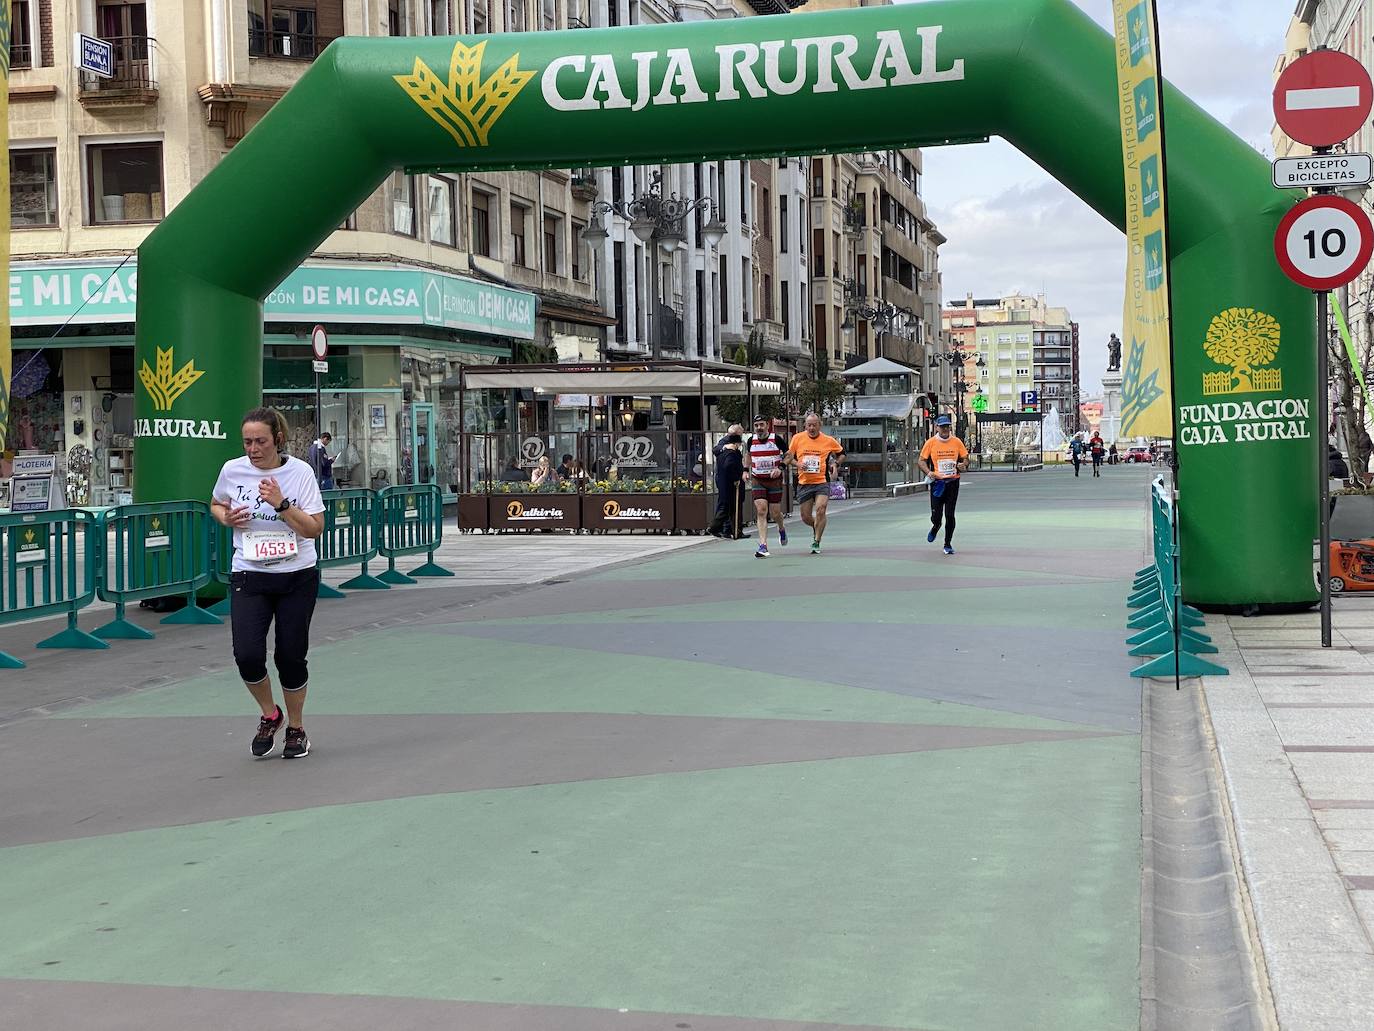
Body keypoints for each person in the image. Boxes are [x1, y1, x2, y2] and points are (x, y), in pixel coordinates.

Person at [211, 407, 326, 760]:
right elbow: (216, 503)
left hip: (296, 575)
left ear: (278, 438)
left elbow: (314, 528)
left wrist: (281, 504)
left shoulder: (299, 472)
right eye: (247, 441)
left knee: (290, 657)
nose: (253, 448)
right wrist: (226, 517)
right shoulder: (233, 470)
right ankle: (269, 714)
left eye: (260, 441)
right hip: (249, 572)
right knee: (246, 655)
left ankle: (296, 728)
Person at [785, 413, 845, 555]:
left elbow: (842, 454)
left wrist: (836, 463)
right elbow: (788, 457)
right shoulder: (797, 438)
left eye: (814, 425)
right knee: (806, 517)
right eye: (809, 425)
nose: (811, 428)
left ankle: (816, 541)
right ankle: (817, 526)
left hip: (821, 482)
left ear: (820, 425)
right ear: (805, 425)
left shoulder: (828, 440)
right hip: (804, 482)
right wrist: (798, 464)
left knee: (821, 509)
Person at [918, 414, 970, 555]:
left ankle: (947, 544)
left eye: (947, 426)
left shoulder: (957, 442)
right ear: (937, 427)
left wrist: (963, 465)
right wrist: (929, 472)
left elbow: (965, 459)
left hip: (953, 482)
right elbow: (921, 461)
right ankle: (936, 526)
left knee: (950, 514)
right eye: (942, 427)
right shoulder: (931, 443)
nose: (945, 429)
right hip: (937, 483)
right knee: (936, 515)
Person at [744, 414, 789, 558]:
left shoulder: (776, 439)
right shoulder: (751, 440)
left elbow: (789, 455)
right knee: (762, 510)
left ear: (767, 426)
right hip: (758, 478)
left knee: (775, 513)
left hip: (774, 480)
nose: (759, 428)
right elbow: (748, 456)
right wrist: (745, 470)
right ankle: (763, 545)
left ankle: (781, 528)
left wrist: (780, 467)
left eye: (761, 425)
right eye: (756, 426)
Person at [709, 425, 747, 538]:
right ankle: (720, 528)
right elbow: (726, 462)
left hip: (726, 479)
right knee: (726, 505)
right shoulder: (726, 445)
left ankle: (729, 530)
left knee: (728, 505)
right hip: (728, 481)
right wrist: (736, 478)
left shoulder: (732, 447)